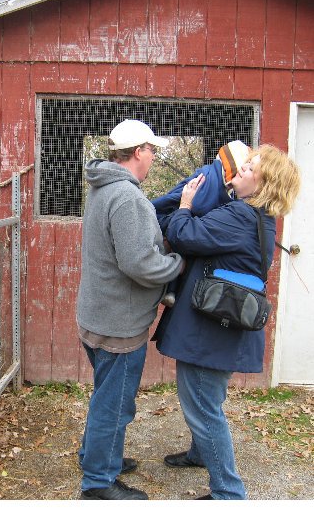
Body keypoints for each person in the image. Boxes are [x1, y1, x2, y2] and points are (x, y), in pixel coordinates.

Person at [152, 144, 301, 500]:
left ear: (265, 185)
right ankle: (200, 453)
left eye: (250, 169)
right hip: (223, 324)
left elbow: (183, 235)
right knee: (209, 398)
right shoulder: (261, 218)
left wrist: (185, 204)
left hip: (211, 329)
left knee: (202, 405)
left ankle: (228, 493)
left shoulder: (239, 216)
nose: (240, 171)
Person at [76, 119, 185, 500]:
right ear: (139, 152)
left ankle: (96, 454)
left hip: (96, 314)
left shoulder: (103, 188)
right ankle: (98, 483)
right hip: (119, 324)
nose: (154, 156)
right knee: (116, 404)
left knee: (106, 393)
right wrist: (178, 265)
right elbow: (140, 264)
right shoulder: (128, 197)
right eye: (152, 150)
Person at [152, 140, 251, 306]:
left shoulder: (234, 202)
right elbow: (179, 203)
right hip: (177, 221)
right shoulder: (207, 179)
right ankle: (170, 288)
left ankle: (171, 289)